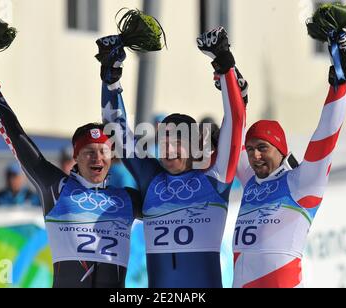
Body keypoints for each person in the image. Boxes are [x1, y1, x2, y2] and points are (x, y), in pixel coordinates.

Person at [0, 46, 142, 288]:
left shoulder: (126, 199)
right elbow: (18, 140)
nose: (97, 158)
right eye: (88, 152)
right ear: (75, 156)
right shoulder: (57, 188)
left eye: (103, 151)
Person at [98, 27, 247, 287]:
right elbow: (117, 132)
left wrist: (224, 61)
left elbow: (235, 121)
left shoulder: (215, 178)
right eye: (163, 142)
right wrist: (111, 79)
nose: (167, 150)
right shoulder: (152, 178)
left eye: (176, 143)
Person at [232, 30, 346, 288]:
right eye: (250, 149)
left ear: (280, 149)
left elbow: (326, 137)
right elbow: (232, 139)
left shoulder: (301, 182)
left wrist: (338, 86)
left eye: (262, 148)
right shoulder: (252, 182)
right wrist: (233, 90)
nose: (255, 156)